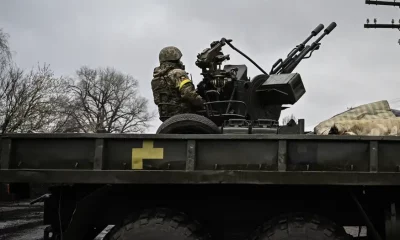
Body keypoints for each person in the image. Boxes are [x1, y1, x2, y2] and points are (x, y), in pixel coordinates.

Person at [151, 46, 205, 121]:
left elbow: (157, 101)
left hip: (166, 115)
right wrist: (202, 103)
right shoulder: (178, 73)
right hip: (183, 112)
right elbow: (188, 93)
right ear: (175, 60)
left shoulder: (156, 79)